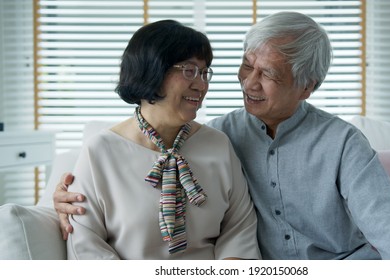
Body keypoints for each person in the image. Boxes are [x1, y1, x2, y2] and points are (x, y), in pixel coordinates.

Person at [54, 12, 390, 260]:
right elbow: (106, 186)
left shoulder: (342, 143)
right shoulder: (218, 136)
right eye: (246, 66)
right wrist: (61, 199)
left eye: (268, 74)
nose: (249, 83)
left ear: (307, 87)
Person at [62, 19, 260, 260]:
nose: (202, 85)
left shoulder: (218, 145)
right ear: (152, 71)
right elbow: (86, 246)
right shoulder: (100, 152)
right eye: (189, 71)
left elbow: (239, 230)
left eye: (205, 72)